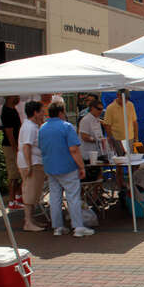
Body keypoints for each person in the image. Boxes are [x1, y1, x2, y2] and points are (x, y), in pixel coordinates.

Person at [38, 102, 95, 238]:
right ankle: (78, 227)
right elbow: (74, 149)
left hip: (50, 167)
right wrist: (81, 167)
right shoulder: (67, 127)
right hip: (67, 167)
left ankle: (58, 227)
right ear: (60, 112)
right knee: (73, 197)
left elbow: (41, 147)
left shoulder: (42, 128)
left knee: (55, 197)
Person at [16, 100, 46, 232]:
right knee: (29, 192)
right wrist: (29, 165)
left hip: (34, 162)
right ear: (35, 112)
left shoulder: (32, 126)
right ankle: (28, 221)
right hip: (31, 163)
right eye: (42, 112)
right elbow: (26, 146)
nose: (43, 114)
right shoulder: (29, 127)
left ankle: (30, 220)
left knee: (33, 192)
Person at [104, 89, 139, 189]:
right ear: (118, 96)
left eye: (127, 98)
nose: (126, 100)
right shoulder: (110, 108)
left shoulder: (130, 105)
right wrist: (111, 138)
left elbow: (134, 122)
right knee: (120, 163)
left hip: (130, 138)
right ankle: (121, 185)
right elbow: (107, 125)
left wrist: (136, 138)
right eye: (124, 98)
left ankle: (133, 184)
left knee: (134, 163)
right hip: (117, 139)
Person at [0, 95, 23, 209]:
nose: (18, 98)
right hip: (11, 147)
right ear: (9, 97)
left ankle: (18, 197)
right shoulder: (7, 112)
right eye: (16, 96)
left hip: (15, 146)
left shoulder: (12, 109)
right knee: (13, 174)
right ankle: (11, 201)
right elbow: (9, 132)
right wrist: (16, 148)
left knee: (20, 174)